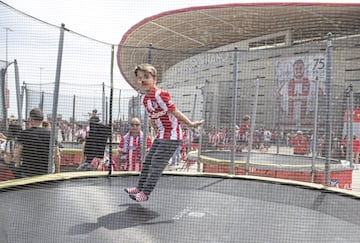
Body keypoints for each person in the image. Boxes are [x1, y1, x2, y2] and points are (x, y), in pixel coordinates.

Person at [124, 63, 204, 202]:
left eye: (146, 77)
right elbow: (152, 117)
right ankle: (139, 188)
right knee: (148, 161)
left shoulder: (161, 95)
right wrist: (155, 130)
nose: (142, 81)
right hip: (161, 136)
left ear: (154, 79)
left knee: (156, 163)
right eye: (139, 78)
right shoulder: (144, 99)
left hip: (172, 136)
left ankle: (145, 193)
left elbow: (175, 111)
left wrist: (190, 124)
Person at [277, 59, 324, 126]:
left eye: (300, 68)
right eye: (296, 69)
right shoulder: (286, 84)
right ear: (293, 70)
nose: (298, 70)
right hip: (289, 119)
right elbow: (277, 97)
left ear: (304, 69)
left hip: (307, 119)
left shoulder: (311, 84)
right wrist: (283, 111)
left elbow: (321, 95)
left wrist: (313, 111)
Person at [13, 108, 57, 177]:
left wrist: (17, 167)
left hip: (28, 173)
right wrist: (57, 171)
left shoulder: (24, 134)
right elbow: (56, 154)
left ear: (31, 119)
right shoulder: (51, 134)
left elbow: (17, 153)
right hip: (46, 173)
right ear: (42, 120)